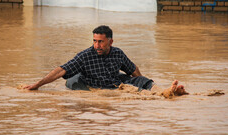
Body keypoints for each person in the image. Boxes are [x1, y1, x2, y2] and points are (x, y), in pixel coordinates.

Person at [24, 25, 187, 97]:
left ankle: (166, 91)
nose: (97, 45)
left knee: (142, 81)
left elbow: (133, 70)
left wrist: (139, 81)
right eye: (94, 41)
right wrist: (37, 85)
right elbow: (61, 70)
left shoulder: (117, 53)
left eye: (100, 41)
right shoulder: (85, 55)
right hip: (91, 84)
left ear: (110, 42)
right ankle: (164, 94)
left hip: (113, 82)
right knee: (78, 84)